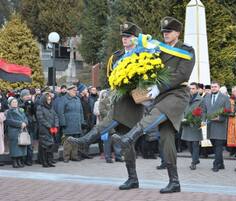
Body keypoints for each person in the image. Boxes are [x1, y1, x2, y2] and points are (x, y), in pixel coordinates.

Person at [112, 16, 195, 193]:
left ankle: (129, 137)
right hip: (159, 95)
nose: (165, 34)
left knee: (156, 112)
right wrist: (138, 89)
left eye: (169, 32)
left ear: (178, 33)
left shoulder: (186, 50)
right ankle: (175, 182)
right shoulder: (158, 50)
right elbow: (148, 70)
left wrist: (158, 86)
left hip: (177, 94)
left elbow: (182, 74)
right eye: (164, 32)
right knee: (166, 139)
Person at [67, 22, 144, 167]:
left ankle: (85, 141)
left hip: (134, 101)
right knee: (108, 125)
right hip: (119, 99)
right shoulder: (116, 57)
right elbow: (111, 77)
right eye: (123, 36)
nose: (124, 39)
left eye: (128, 36)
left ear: (136, 38)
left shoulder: (143, 55)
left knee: (127, 142)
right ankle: (85, 141)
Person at [202, 81, 231, 172]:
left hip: (220, 126)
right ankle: (221, 164)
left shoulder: (225, 98)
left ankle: (216, 164)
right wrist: (203, 120)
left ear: (219, 87)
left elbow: (228, 111)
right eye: (212, 87)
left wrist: (220, 117)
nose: (213, 88)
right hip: (210, 125)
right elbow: (204, 110)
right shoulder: (206, 97)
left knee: (218, 145)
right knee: (215, 145)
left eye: (215, 86)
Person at [57, 85, 84, 162]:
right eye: (73, 90)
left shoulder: (77, 99)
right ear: (68, 91)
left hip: (77, 123)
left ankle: (74, 156)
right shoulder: (63, 99)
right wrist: (63, 123)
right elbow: (60, 112)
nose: (75, 92)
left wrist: (82, 121)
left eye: (76, 90)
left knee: (75, 140)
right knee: (67, 141)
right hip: (68, 123)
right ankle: (66, 157)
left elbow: (81, 112)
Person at [181, 82, 203, 170]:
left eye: (193, 88)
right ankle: (196, 159)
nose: (191, 90)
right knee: (189, 144)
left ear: (197, 89)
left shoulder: (201, 100)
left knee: (195, 144)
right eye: (190, 88)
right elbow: (182, 110)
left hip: (195, 125)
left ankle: (193, 162)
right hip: (186, 124)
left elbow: (203, 112)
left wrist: (197, 120)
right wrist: (182, 118)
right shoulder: (186, 98)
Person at [36, 93, 59, 168]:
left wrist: (55, 125)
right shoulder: (40, 107)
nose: (49, 101)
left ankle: (49, 161)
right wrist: (49, 126)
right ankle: (44, 162)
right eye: (47, 99)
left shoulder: (51, 107)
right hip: (44, 129)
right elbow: (41, 119)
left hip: (51, 129)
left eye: (50, 99)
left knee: (50, 146)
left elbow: (56, 116)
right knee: (44, 147)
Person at [5, 98, 28, 168]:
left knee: (21, 147)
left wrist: (25, 123)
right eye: (13, 102)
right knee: (15, 147)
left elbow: (25, 118)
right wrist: (20, 123)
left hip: (21, 131)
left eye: (16, 102)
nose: (15, 103)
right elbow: (9, 121)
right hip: (13, 131)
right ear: (10, 104)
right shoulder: (9, 111)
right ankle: (14, 162)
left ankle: (19, 161)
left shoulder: (21, 110)